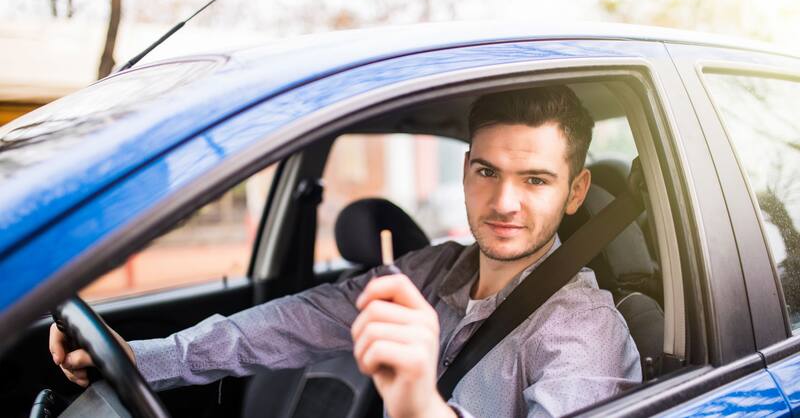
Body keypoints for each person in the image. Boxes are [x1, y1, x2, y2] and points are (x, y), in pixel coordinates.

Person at [50, 85, 641, 417]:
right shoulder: (436, 268)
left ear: (575, 192)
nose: (504, 201)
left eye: (535, 179)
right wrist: (139, 358)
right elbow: (294, 322)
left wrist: (414, 401)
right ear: (465, 172)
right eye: (487, 171)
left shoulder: (584, 332)